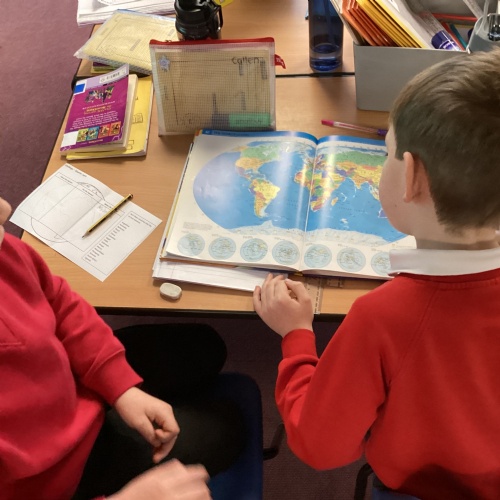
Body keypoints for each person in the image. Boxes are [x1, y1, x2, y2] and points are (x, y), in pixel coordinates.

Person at [253, 47, 500, 499]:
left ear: (411, 177)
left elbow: (320, 445)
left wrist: (297, 337)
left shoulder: (382, 318)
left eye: (386, 152)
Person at [0, 196, 244, 499]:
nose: (5, 209)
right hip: (62, 475)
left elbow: (58, 301)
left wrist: (119, 385)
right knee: (229, 428)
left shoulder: (4, 248)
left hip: (70, 386)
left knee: (205, 346)